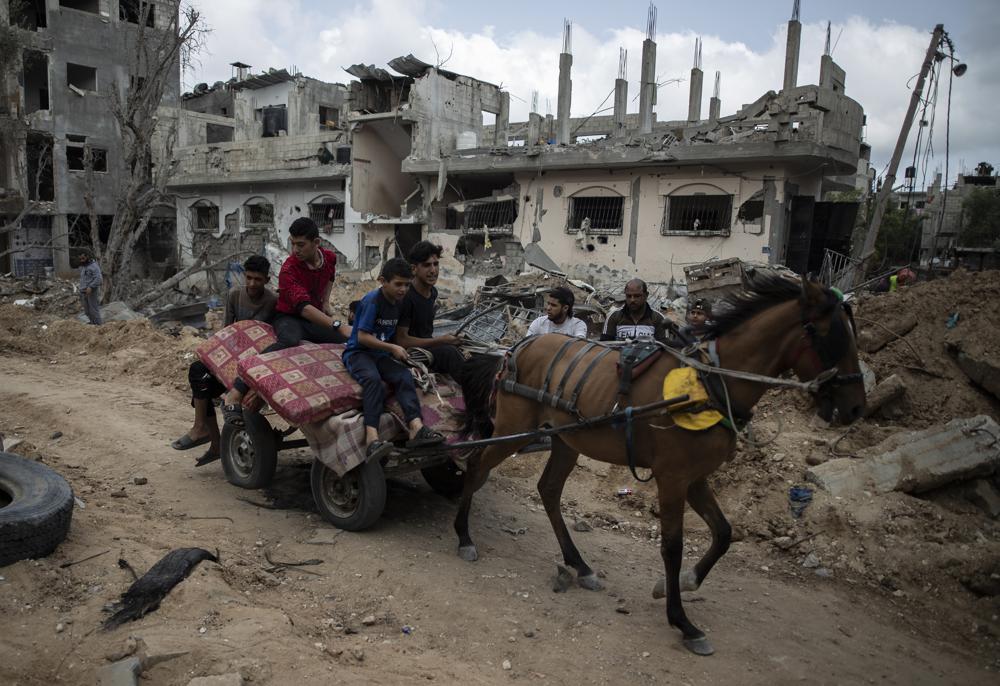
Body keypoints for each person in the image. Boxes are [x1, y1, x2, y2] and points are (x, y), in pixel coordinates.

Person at [222, 217, 350, 426]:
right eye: (292, 243)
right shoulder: (289, 269)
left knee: (345, 343)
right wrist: (337, 324)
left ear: (316, 243)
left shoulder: (329, 258)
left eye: (301, 244)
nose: (295, 249)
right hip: (289, 317)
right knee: (289, 340)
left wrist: (326, 301)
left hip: (315, 316)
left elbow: (330, 276)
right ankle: (237, 391)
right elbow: (304, 309)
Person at [173, 255, 277, 465]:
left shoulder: (273, 301)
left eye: (257, 279)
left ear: (266, 279)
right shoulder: (235, 295)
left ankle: (212, 442)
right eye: (248, 278)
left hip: (258, 364)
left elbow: (274, 339)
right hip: (233, 359)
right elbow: (226, 332)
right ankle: (203, 431)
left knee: (205, 385)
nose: (252, 283)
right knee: (199, 373)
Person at [343, 258, 445, 460]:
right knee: (373, 381)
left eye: (407, 285)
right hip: (359, 353)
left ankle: (416, 426)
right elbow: (363, 337)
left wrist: (396, 351)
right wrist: (392, 347)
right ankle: (372, 438)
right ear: (383, 281)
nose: (403, 289)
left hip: (380, 355)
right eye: (398, 284)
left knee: (404, 376)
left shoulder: (399, 304)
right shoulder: (373, 301)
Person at [395, 241, 464, 380]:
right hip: (412, 353)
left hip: (428, 346)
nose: (433, 270)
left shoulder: (433, 292)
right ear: (414, 269)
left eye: (436, 264)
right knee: (449, 353)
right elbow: (401, 340)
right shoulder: (407, 297)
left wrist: (445, 339)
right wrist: (441, 340)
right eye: (427, 265)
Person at [600, 278, 675, 343]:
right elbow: (604, 345)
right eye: (629, 296)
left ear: (646, 295)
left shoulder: (658, 318)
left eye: (637, 296)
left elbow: (663, 348)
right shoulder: (614, 316)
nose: (632, 300)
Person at [77, 250, 103, 325]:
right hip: (83, 292)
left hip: (91, 292)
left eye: (83, 258)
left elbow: (99, 279)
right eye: (80, 259)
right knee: (87, 311)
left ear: (87, 257)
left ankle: (99, 326)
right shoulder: (84, 267)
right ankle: (93, 325)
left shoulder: (94, 266)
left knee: (94, 311)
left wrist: (91, 287)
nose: (82, 260)